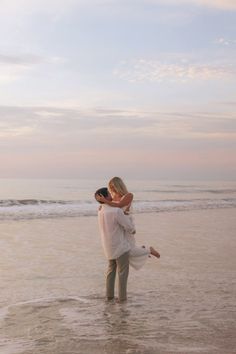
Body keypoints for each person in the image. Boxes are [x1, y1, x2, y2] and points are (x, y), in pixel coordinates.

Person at [96, 177, 160, 270]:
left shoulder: (128, 195)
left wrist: (105, 201)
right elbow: (110, 207)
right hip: (119, 224)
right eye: (110, 187)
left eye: (113, 186)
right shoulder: (113, 197)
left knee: (128, 250)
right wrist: (102, 205)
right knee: (126, 249)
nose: (111, 189)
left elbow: (119, 205)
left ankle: (148, 250)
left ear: (118, 185)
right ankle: (144, 249)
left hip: (126, 222)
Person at [95, 187, 136, 302]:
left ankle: (109, 297)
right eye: (108, 192)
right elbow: (128, 226)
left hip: (108, 246)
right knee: (122, 274)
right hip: (120, 246)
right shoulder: (115, 211)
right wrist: (132, 229)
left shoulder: (100, 210)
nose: (110, 193)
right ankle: (122, 299)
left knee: (110, 272)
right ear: (105, 196)